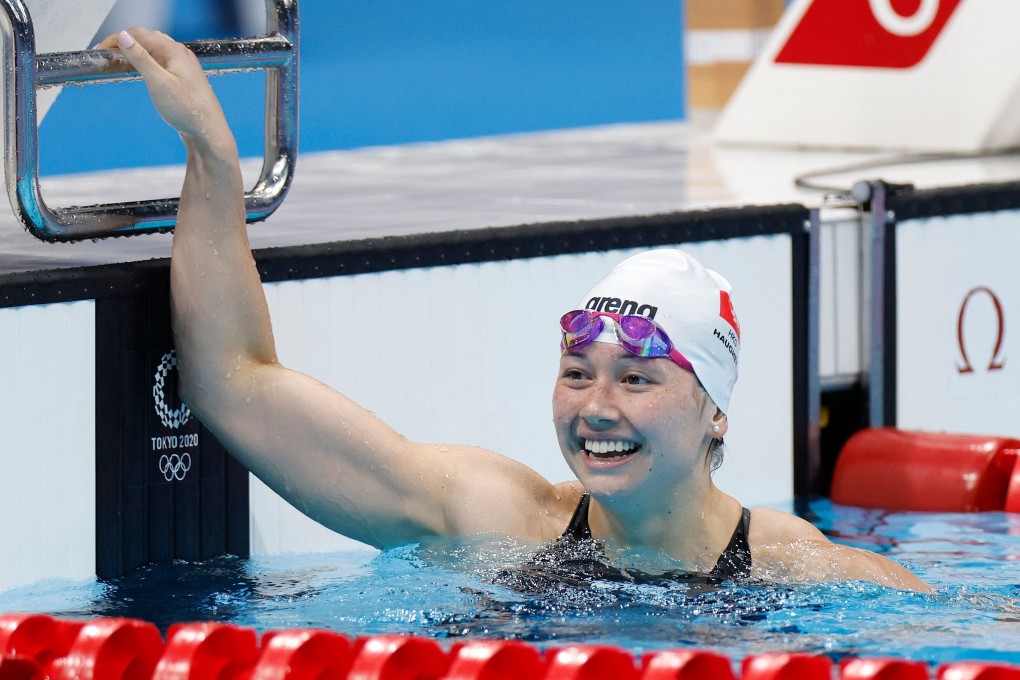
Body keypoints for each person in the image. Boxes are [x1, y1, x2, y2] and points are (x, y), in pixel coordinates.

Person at [98, 28, 931, 593]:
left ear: (715, 412)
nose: (596, 408)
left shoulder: (801, 572)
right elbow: (235, 384)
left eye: (636, 378)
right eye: (578, 373)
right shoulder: (489, 516)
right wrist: (211, 153)